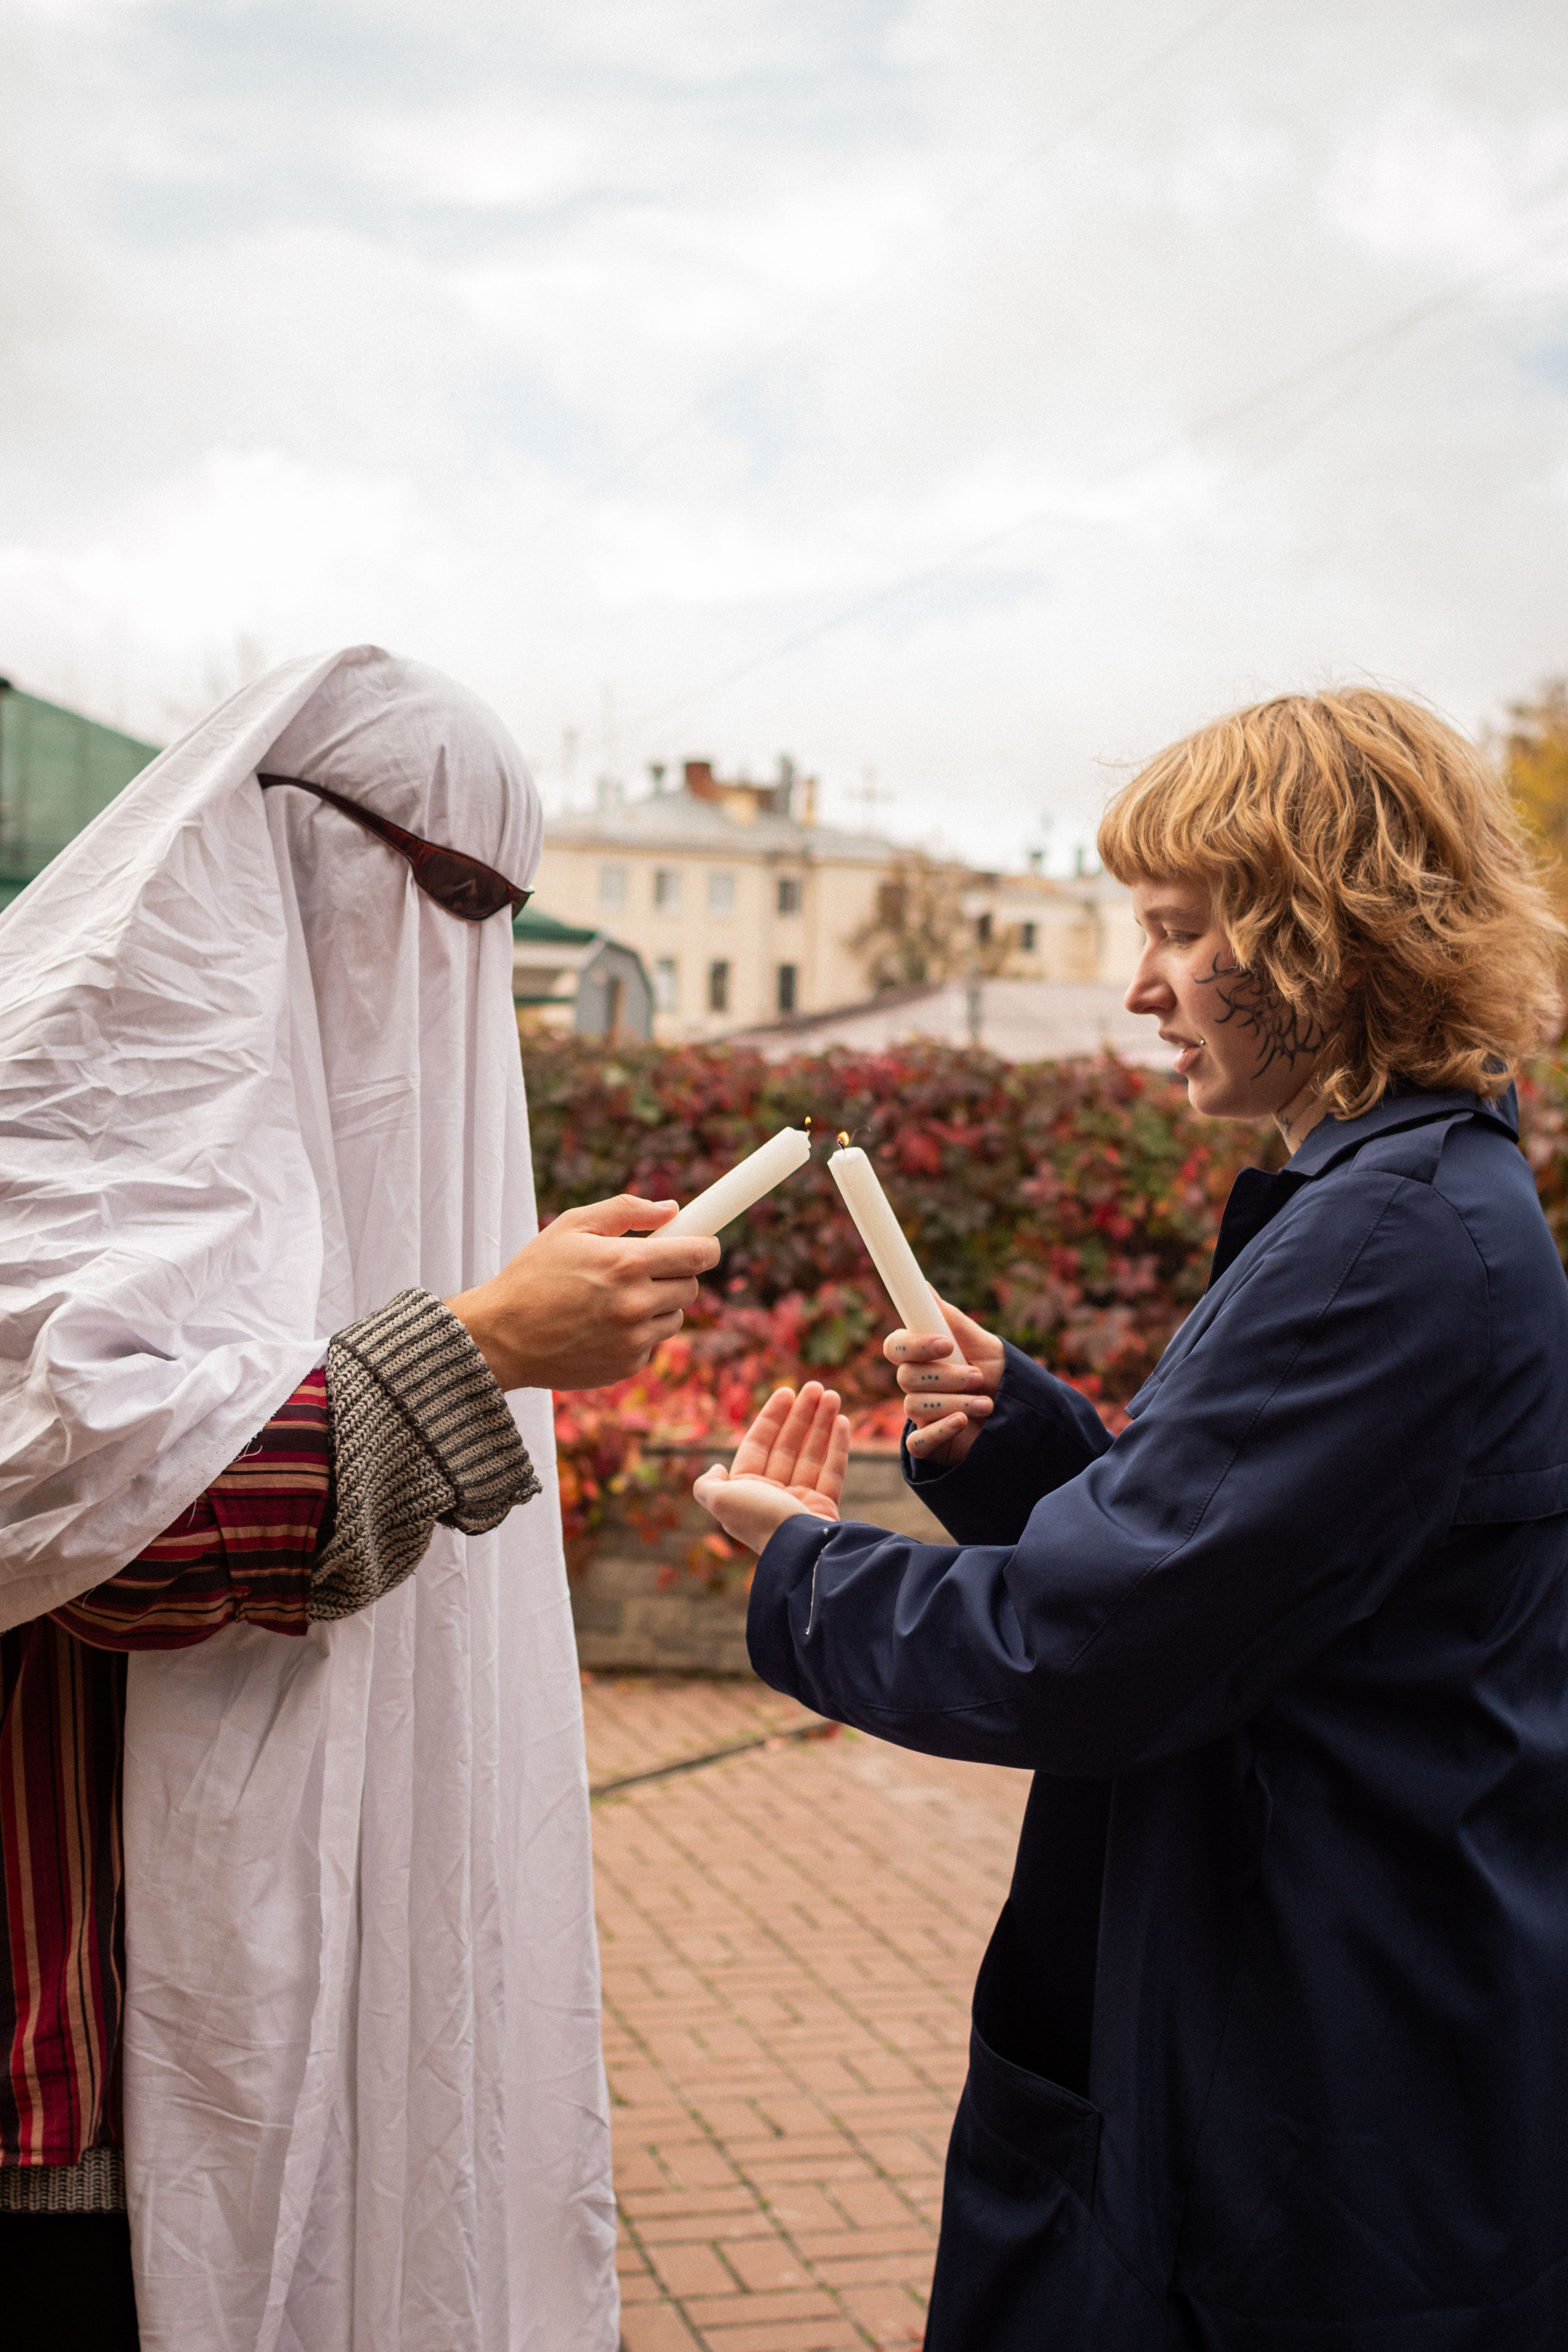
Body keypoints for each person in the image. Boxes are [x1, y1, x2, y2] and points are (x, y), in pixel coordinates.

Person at [695, 688, 1568, 2350]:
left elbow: (1084, 1649)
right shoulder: (1399, 1198)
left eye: (1178, 928)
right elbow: (1248, 1567)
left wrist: (799, 1562)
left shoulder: (1382, 1239)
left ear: (1324, 935)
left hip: (1310, 2080)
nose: (1141, 984)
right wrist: (1020, 1434)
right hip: (1328, 2013)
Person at [0, 646, 718, 2351]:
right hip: (48, 2047)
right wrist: (479, 1344)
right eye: (430, 903)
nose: (434, 982)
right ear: (276, 853)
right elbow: (100, 1535)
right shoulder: (53, 1114)